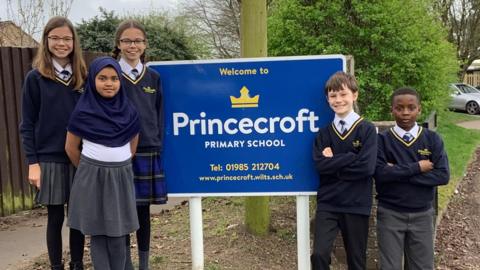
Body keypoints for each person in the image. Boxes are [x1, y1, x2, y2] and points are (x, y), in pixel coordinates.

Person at [19, 16, 87, 270]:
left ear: (74, 42)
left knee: (78, 216)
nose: (61, 43)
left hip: (79, 157)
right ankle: (56, 266)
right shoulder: (35, 79)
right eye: (55, 38)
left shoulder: (84, 77)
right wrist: (32, 163)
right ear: (46, 41)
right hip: (49, 159)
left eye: (67, 38)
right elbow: (27, 124)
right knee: (55, 216)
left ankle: (77, 264)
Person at [65, 56, 140, 269]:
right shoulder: (82, 112)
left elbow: (133, 144)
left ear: (120, 82)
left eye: (114, 78)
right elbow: (70, 148)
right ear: (92, 80)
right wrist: (90, 170)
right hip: (91, 177)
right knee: (97, 233)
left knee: (117, 233)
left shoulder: (129, 111)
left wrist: (119, 165)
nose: (109, 83)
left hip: (120, 176)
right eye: (102, 78)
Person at [374, 87, 449, 270]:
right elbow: (379, 174)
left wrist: (397, 173)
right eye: (399, 108)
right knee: (390, 267)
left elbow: (443, 175)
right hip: (390, 213)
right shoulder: (382, 140)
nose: (405, 113)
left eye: (411, 107)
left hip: (422, 214)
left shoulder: (432, 139)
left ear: (419, 109)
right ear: (392, 110)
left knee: (422, 266)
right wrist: (418, 168)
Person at [112, 19, 167, 270]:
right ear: (118, 44)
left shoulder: (153, 77)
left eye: (137, 41)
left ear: (145, 45)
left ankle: (144, 264)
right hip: (117, 153)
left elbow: (159, 114)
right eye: (127, 41)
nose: (132, 45)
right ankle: (126, 263)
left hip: (147, 150)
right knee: (122, 211)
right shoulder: (110, 74)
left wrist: (157, 143)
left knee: (143, 213)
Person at [311, 71, 377, 270]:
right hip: (328, 203)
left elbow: (366, 168)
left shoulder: (366, 130)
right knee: (319, 255)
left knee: (356, 261)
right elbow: (320, 165)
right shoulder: (323, 134)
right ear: (327, 99)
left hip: (356, 204)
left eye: (343, 94)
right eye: (333, 96)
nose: (338, 100)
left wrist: (334, 162)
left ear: (354, 95)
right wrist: (349, 157)